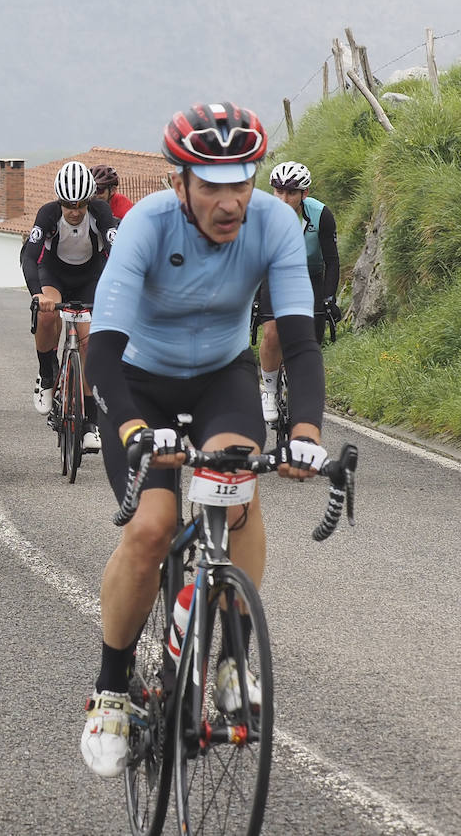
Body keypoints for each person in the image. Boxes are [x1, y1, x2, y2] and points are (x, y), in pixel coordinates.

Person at [79, 102, 328, 778]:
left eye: (241, 181)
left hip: (223, 377)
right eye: (211, 184)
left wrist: (305, 429)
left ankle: (229, 663)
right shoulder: (146, 229)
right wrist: (131, 428)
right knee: (154, 526)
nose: (229, 200)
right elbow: (100, 354)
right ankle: (111, 690)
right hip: (139, 383)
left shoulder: (274, 224)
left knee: (236, 486)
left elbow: (300, 345)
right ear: (178, 183)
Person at [21, 160, 118, 452]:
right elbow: (30, 257)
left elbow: (116, 252)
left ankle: (90, 423)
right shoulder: (48, 214)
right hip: (55, 275)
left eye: (80, 205)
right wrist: (38, 295)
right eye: (68, 205)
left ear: (89, 201)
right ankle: (47, 373)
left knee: (88, 341)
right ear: (59, 202)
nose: (75, 212)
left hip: (90, 275)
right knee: (47, 318)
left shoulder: (101, 212)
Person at [256, 160, 340, 422]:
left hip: (309, 275)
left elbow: (332, 261)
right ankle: (269, 389)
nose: (283, 198)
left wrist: (328, 298)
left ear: (304, 194)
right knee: (271, 332)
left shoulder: (320, 215)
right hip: (273, 273)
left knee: (309, 341)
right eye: (279, 191)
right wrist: (253, 298)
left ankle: (299, 390)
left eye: (291, 192)